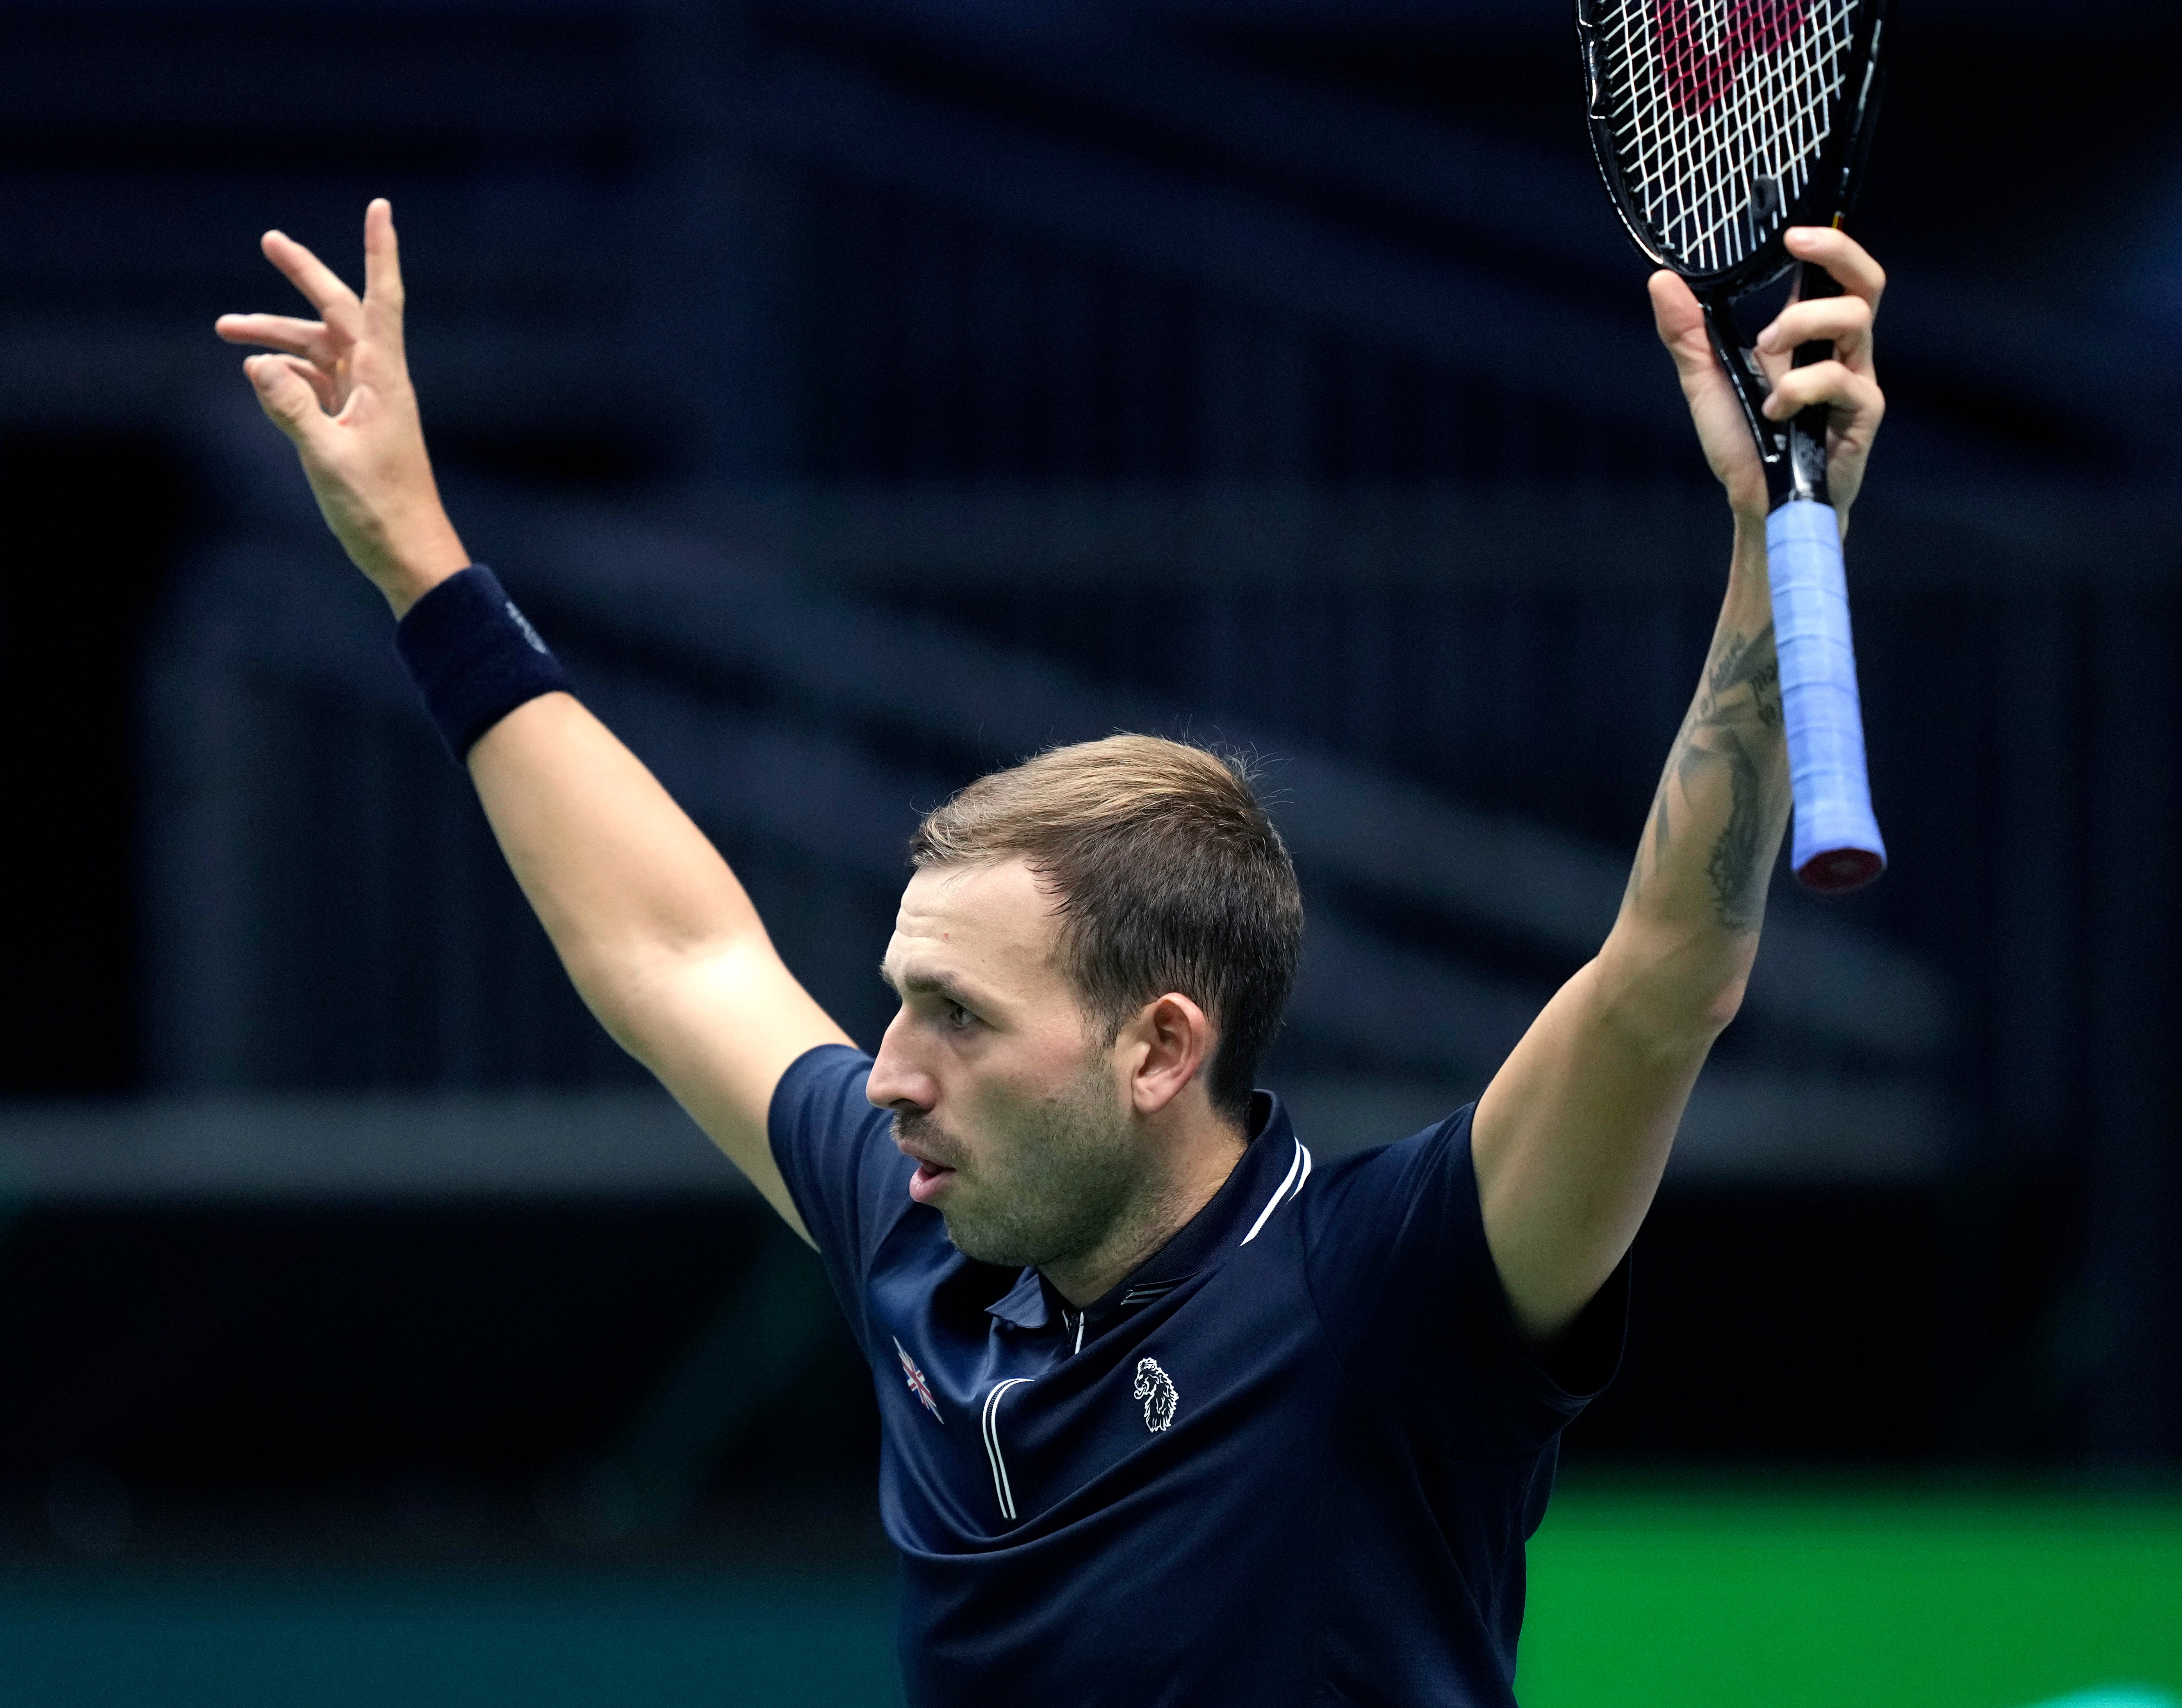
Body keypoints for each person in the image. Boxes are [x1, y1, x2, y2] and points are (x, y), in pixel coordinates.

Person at [216, 201, 1886, 1706]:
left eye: (954, 1013)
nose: (887, 1071)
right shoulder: (922, 1235)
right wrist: (418, 561)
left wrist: (1764, 540)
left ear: (1158, 1047)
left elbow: (1661, 978)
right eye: (895, 999)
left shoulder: (1390, 1294)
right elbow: (674, 950)